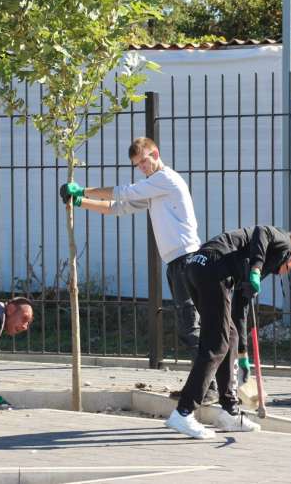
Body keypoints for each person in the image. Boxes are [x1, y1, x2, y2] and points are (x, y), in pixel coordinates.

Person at [60, 137, 219, 404]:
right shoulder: (154, 189)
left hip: (187, 260)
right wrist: (79, 201)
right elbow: (117, 208)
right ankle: (202, 385)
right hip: (176, 262)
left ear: (155, 154)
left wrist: (83, 189)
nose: (142, 167)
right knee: (190, 329)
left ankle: (210, 387)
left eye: (144, 161)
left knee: (192, 329)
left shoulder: (165, 179)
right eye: (137, 165)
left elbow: (123, 192)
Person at [165, 225, 291, 439]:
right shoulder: (284, 244)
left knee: (228, 337)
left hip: (197, 267)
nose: (285, 272)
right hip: (213, 268)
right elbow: (262, 231)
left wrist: (242, 353)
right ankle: (183, 412)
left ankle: (229, 411)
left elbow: (240, 307)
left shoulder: (246, 262)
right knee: (215, 345)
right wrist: (257, 270)